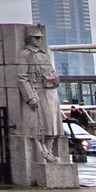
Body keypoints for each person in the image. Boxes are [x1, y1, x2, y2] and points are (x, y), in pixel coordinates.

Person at [17, 25, 62, 162]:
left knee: (54, 127)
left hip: (51, 93)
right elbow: (22, 77)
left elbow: (51, 72)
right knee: (42, 126)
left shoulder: (44, 54)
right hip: (38, 92)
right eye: (36, 38)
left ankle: (49, 150)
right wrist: (30, 97)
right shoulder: (25, 54)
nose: (39, 40)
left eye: (40, 38)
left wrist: (56, 79)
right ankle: (43, 152)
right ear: (28, 39)